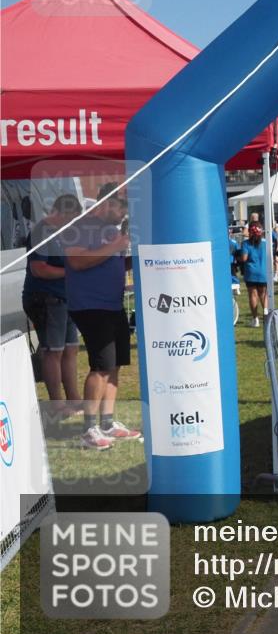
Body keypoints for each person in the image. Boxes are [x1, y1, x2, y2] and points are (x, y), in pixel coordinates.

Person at [63, 184, 142, 450]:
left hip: (113, 305)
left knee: (116, 363)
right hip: (90, 306)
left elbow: (113, 261)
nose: (123, 214)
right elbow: (76, 261)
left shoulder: (112, 232)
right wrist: (117, 244)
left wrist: (136, 258)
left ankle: (107, 422)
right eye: (121, 207)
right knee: (101, 366)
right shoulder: (80, 226)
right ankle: (89, 429)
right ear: (107, 203)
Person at [22, 194, 84, 419]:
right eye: (72, 218)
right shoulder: (42, 232)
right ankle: (57, 406)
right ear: (62, 213)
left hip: (65, 299)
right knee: (52, 352)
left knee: (70, 349)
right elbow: (39, 269)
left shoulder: (62, 233)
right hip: (45, 298)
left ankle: (75, 400)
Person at [240, 222, 268, 327]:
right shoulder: (266, 243)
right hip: (263, 272)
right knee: (263, 295)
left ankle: (255, 319)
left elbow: (244, 258)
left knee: (253, 295)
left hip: (251, 273)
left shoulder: (246, 243)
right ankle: (266, 316)